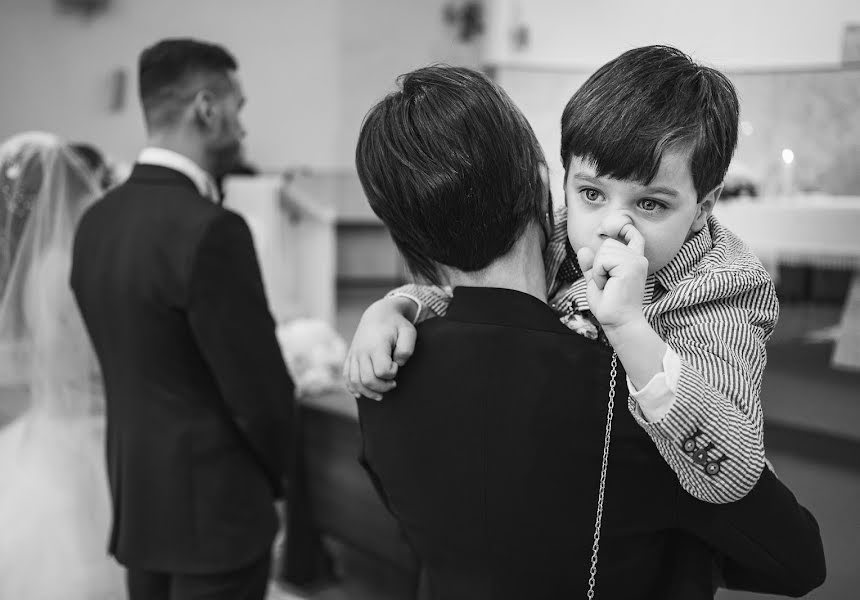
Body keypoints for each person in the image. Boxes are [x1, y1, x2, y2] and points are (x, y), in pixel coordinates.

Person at [353, 65, 824, 599]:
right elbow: (791, 557)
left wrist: (631, 331)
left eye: (650, 203)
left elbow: (735, 468)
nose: (612, 226)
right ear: (550, 179)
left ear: (703, 208)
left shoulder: (719, 289)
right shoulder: (561, 233)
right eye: (591, 194)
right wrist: (399, 304)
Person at [71, 38, 295, 600]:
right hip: (216, 515)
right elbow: (259, 393)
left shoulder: (96, 222)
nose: (243, 128)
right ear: (206, 108)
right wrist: (280, 481)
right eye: (238, 108)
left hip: (139, 506)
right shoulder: (211, 228)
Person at [0, 131, 124, 598]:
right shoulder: (60, 263)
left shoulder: (27, 264)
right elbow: (74, 359)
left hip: (50, 428)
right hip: (79, 435)